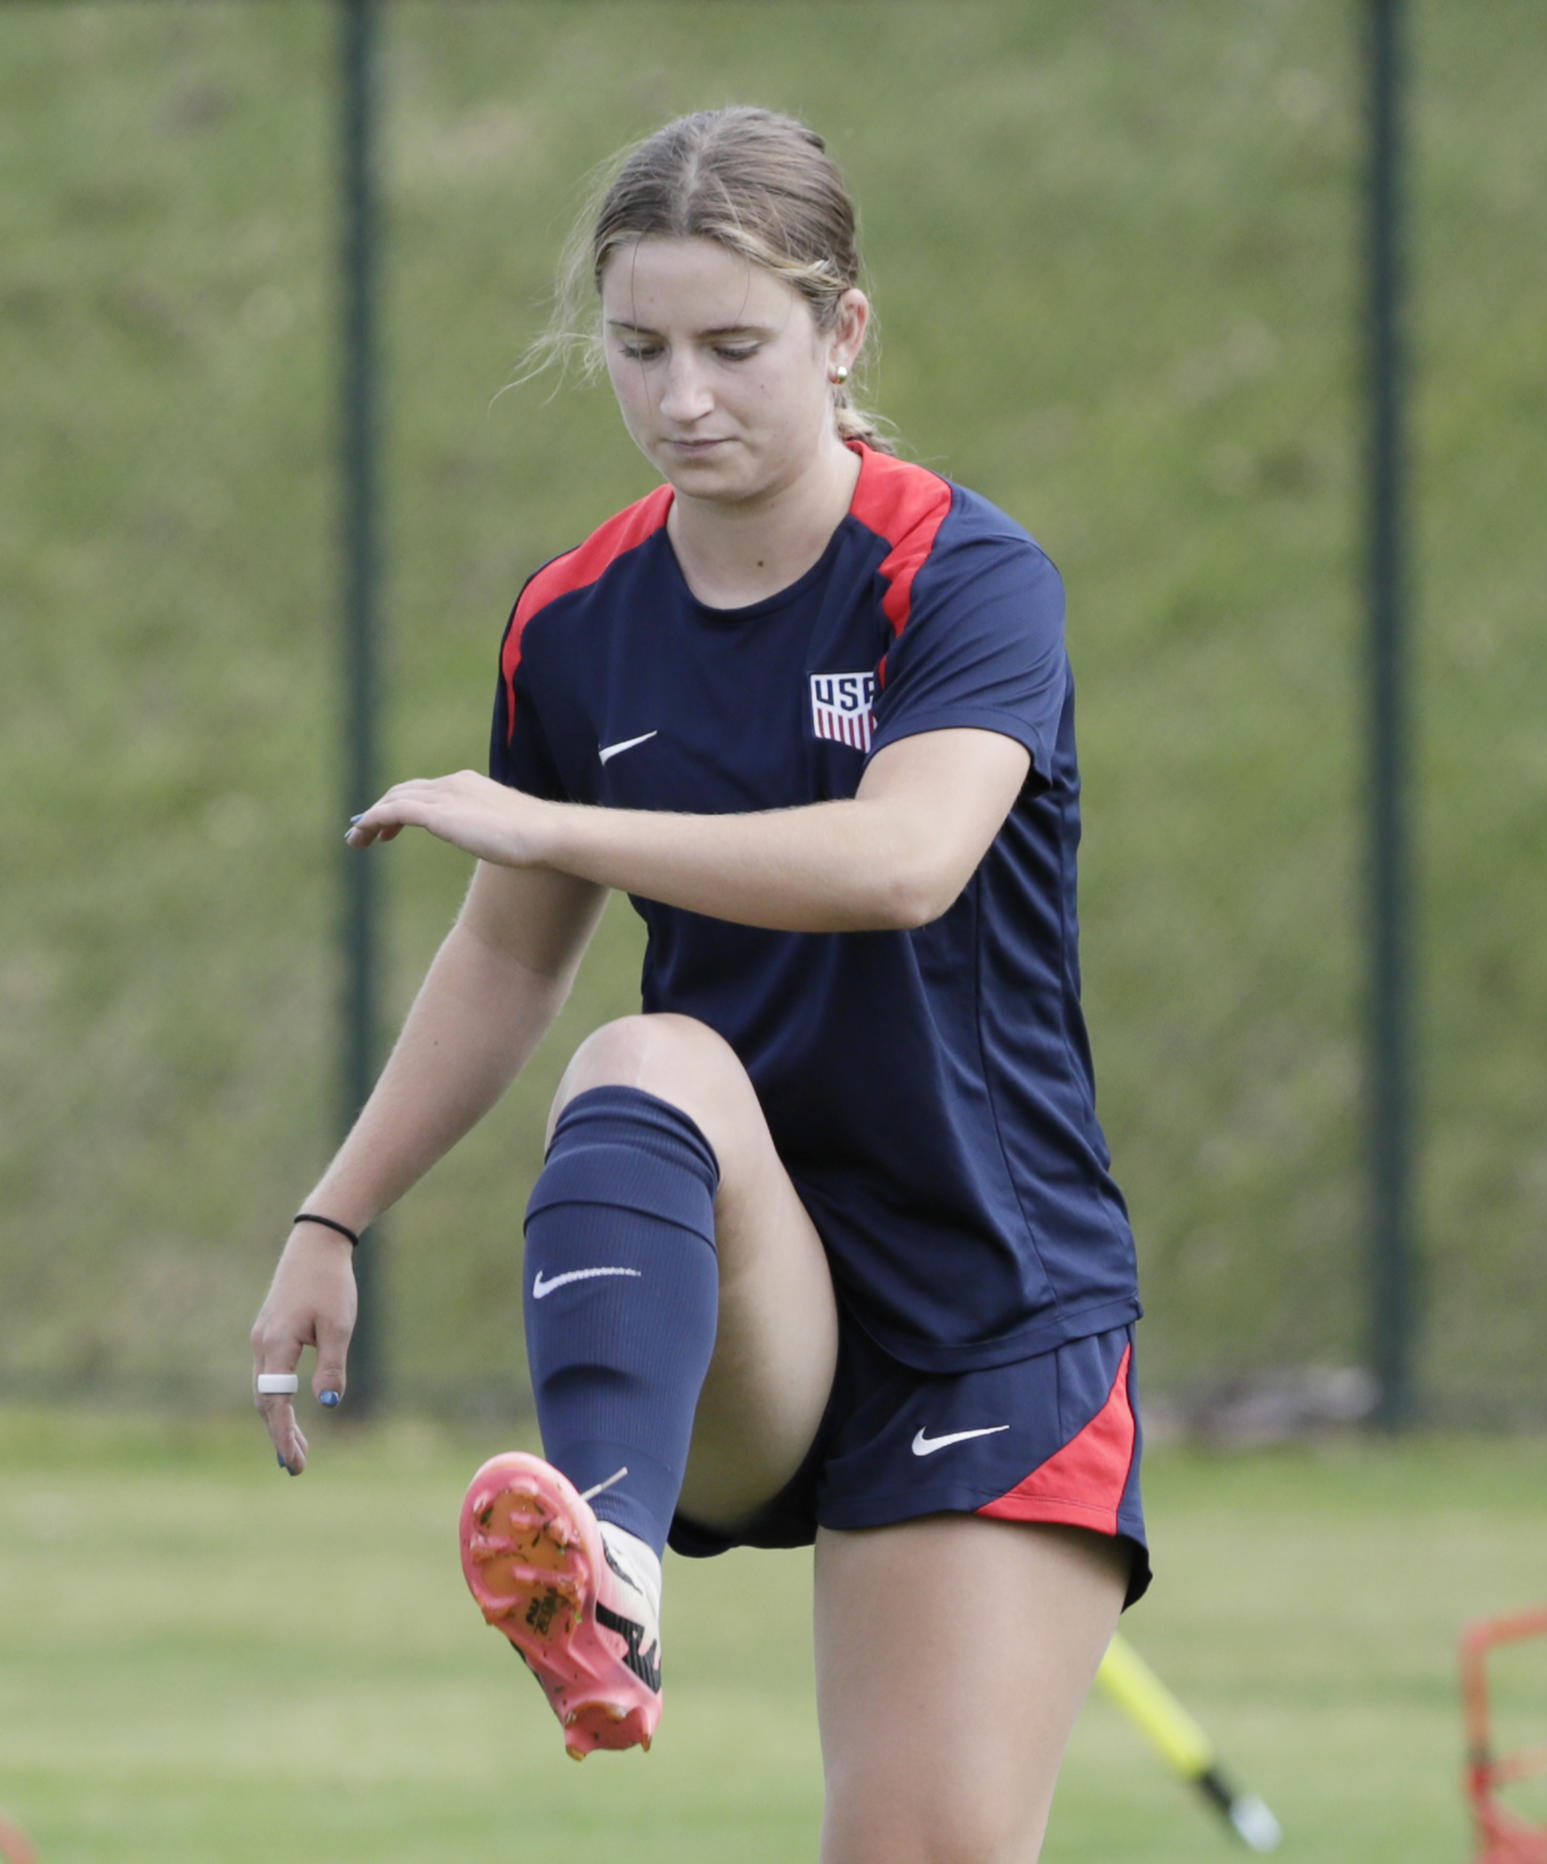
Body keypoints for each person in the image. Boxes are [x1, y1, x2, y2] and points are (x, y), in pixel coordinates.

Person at [249, 105, 1147, 1863]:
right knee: (646, 1053)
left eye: (735, 347)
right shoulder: (576, 619)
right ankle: (609, 1561)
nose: (683, 397)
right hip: (749, 1292)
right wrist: (333, 1217)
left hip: (990, 1299)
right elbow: (511, 948)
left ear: (843, 333)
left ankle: (619, 1554)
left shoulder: (961, 575)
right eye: (641, 349)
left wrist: (560, 816)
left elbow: (903, 864)